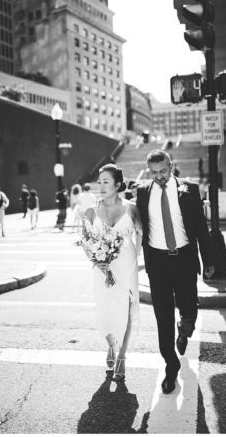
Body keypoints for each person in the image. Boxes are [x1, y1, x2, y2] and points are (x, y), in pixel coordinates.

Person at [137, 149, 214, 395]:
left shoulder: (190, 190)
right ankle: (171, 365)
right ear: (149, 171)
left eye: (163, 171)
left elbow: (202, 228)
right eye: (154, 173)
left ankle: (186, 329)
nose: (159, 176)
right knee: (162, 317)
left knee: (189, 307)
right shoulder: (142, 192)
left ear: (172, 167)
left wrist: (209, 260)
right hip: (157, 263)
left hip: (185, 259)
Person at [79, 164, 141, 382]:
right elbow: (85, 241)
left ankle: (122, 356)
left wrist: (137, 256)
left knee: (125, 309)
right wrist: (95, 259)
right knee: (105, 311)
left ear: (117, 184)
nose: (101, 186)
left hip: (126, 267)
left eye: (106, 181)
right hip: (101, 269)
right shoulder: (90, 210)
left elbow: (141, 232)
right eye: (100, 181)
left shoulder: (131, 208)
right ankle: (111, 345)